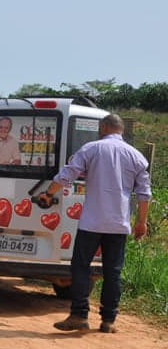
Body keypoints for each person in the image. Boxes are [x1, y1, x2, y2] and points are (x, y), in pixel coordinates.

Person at [37, 114, 151, 334]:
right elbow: (144, 193)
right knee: (113, 271)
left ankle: (79, 315)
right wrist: (141, 223)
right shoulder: (136, 156)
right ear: (121, 130)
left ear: (105, 127)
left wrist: (48, 194)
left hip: (92, 222)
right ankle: (109, 320)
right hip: (119, 224)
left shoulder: (91, 149)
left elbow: (68, 174)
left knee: (80, 267)